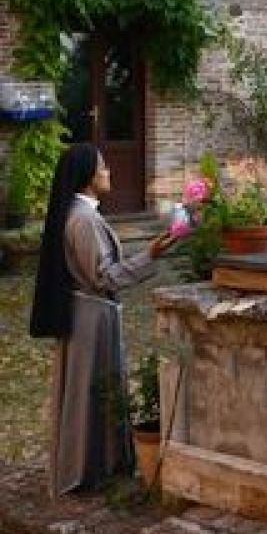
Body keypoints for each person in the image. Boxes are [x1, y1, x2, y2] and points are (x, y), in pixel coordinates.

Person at [29, 143, 180, 495]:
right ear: (86, 177)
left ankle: (101, 463)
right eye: (103, 168)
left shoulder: (82, 215)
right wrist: (150, 254)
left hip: (91, 315)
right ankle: (85, 469)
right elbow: (105, 277)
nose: (109, 172)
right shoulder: (83, 220)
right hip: (90, 319)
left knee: (93, 391)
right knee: (88, 393)